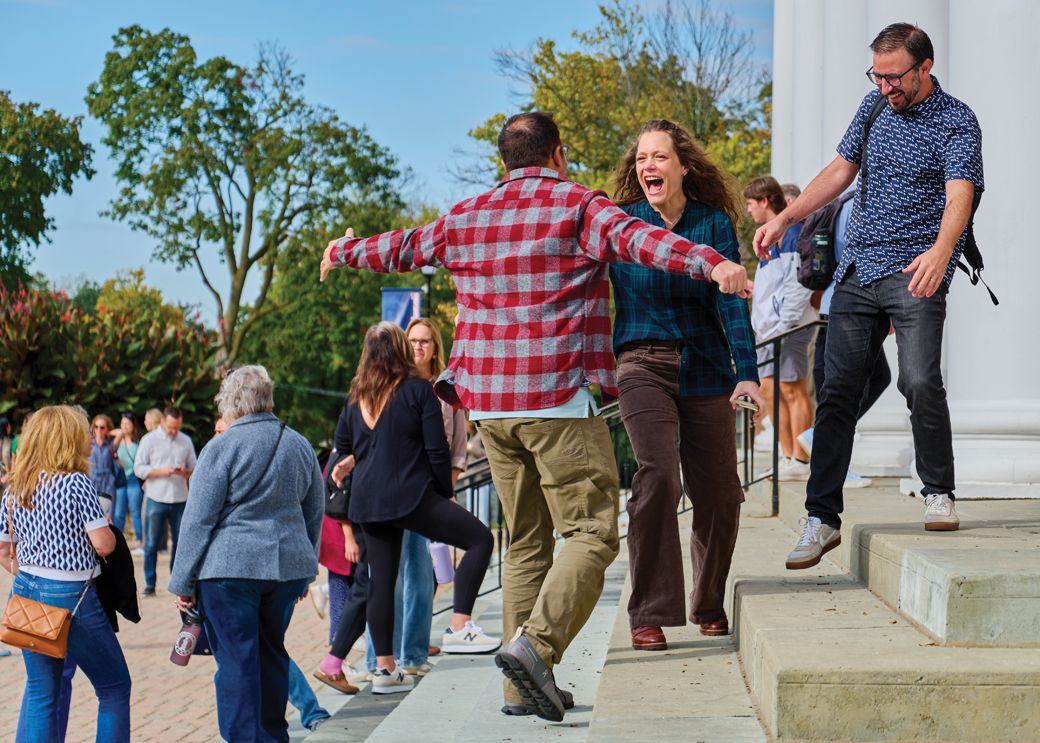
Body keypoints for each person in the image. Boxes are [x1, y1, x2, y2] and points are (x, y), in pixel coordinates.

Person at [319, 111, 751, 721]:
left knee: (524, 543)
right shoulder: (579, 206)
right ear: (558, 156)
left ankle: (517, 690)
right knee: (593, 534)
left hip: (490, 410)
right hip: (556, 402)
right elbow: (645, 241)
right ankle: (534, 647)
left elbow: (401, 245)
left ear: (504, 163)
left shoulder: (466, 216)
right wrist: (712, 264)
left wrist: (342, 250)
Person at [753, 23, 983, 568]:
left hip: (916, 269)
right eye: (876, 75)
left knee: (919, 379)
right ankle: (821, 518)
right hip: (857, 270)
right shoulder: (872, 107)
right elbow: (840, 169)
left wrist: (940, 251)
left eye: (894, 76)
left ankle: (938, 490)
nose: (885, 86)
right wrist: (787, 215)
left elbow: (962, 193)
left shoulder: (956, 119)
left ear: (925, 67)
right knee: (837, 391)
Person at [610, 120, 765, 652]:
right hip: (642, 363)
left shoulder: (712, 222)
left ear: (682, 166)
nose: (648, 166)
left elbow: (731, 300)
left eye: (659, 157)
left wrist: (747, 371)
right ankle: (649, 611)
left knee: (721, 492)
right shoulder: (622, 224)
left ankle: (707, 600)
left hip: (704, 365)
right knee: (657, 475)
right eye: (641, 159)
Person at [329, 322, 498, 695]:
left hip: (369, 504)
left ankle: (385, 671)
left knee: (382, 585)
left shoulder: (357, 395)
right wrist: (441, 492)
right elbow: (437, 450)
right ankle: (458, 625)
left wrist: (349, 461)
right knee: (480, 540)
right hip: (411, 496)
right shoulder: (419, 390)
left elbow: (344, 445)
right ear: (401, 350)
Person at [169, 366, 325, 741]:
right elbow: (314, 510)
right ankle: (273, 735)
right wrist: (307, 566)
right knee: (272, 654)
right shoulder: (299, 444)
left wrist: (182, 581)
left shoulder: (220, 448)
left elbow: (197, 521)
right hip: (285, 569)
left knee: (237, 663)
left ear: (231, 402)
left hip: (228, 570)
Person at [0, 405, 131, 742]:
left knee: (42, 694)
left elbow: (3, 549)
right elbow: (103, 544)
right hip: (73, 596)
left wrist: (32, 569)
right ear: (67, 439)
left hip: (26, 591)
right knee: (114, 687)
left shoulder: (16, 487)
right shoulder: (76, 483)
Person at [357, 317, 467, 676]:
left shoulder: (445, 390)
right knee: (387, 577)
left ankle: (413, 654)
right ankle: (378, 659)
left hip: (427, 494)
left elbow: (455, 450)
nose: (418, 346)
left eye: (425, 341)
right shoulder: (386, 387)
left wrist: (445, 493)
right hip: (390, 494)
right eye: (413, 340)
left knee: (420, 575)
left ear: (435, 347)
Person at [212, 413, 331, 732]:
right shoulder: (289, 443)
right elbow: (314, 510)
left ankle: (303, 711)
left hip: (241, 572)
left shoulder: (234, 448)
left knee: (252, 652)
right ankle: (300, 714)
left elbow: (199, 521)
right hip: (265, 570)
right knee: (258, 651)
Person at [797, 192, 892, 489]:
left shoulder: (842, 203)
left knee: (858, 383)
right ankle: (825, 446)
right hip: (850, 307)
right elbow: (864, 256)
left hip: (833, 304)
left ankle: (824, 447)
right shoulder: (864, 203)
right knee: (846, 392)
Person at [745, 175, 816, 480]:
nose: (748, 211)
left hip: (789, 328)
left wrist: (783, 324)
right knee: (771, 389)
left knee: (792, 389)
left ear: (764, 202)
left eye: (750, 204)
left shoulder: (792, 233)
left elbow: (797, 285)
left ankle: (802, 459)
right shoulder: (770, 239)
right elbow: (775, 286)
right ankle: (787, 456)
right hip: (769, 331)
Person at [134, 406, 196, 596]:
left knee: (180, 544)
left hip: (180, 498)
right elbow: (139, 468)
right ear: (162, 422)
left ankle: (176, 583)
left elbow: (194, 466)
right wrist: (161, 471)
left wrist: (184, 471)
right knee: (151, 544)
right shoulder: (149, 440)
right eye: (170, 427)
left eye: (177, 427)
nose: (174, 431)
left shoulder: (185, 441)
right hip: (156, 497)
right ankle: (150, 584)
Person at [111, 413, 144, 548]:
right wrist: (121, 432)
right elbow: (111, 444)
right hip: (120, 480)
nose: (124, 426)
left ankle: (140, 540)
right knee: (119, 513)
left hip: (133, 479)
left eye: (127, 424)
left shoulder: (138, 443)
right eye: (122, 423)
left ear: (133, 426)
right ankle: (118, 539)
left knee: (136, 511)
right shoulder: (118, 441)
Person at [88, 414, 123, 512]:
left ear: (107, 429)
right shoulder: (89, 443)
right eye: (96, 427)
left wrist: (109, 432)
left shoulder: (111, 445)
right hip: (92, 480)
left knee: (109, 513)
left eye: (102, 427)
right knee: (92, 513)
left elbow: (121, 432)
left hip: (108, 482)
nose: (99, 429)